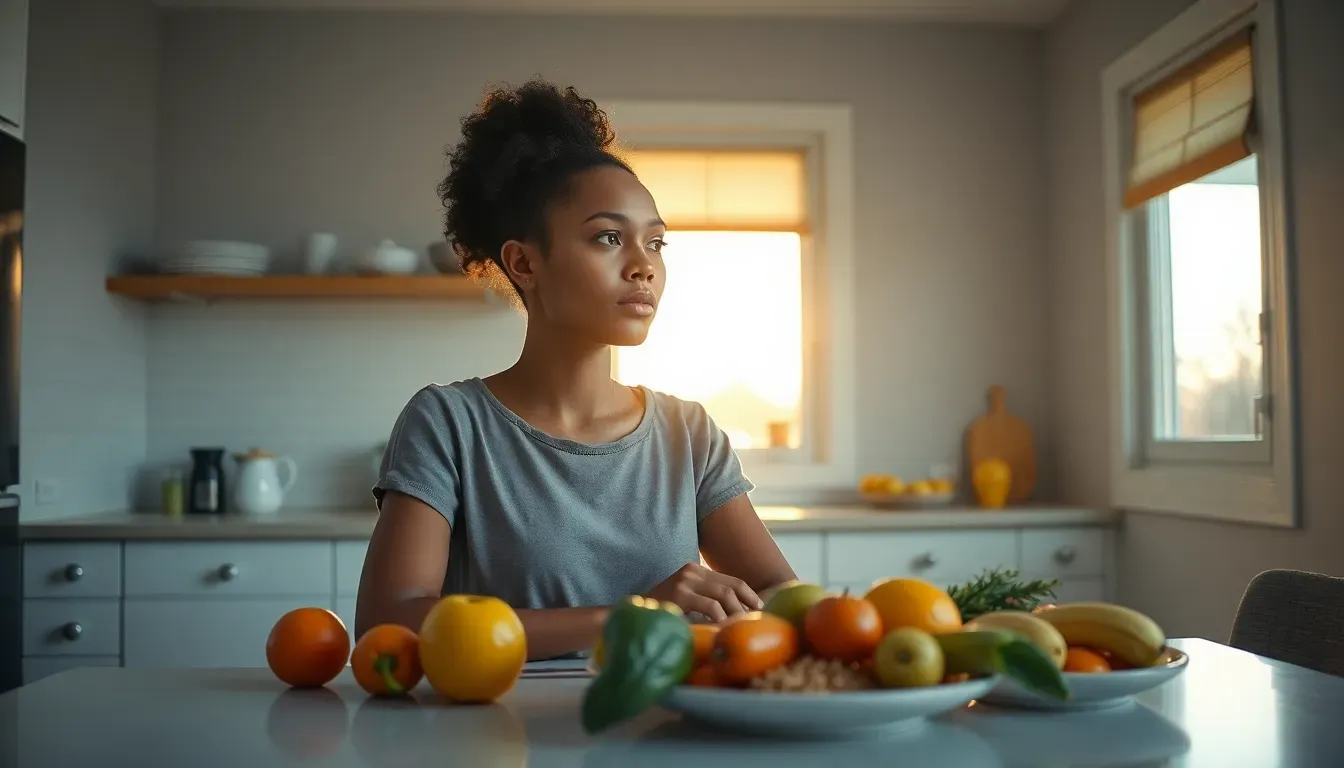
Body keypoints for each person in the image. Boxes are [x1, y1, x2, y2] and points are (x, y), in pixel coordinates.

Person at [354, 79, 797, 660]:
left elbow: (783, 598)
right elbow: (393, 625)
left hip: (665, 732)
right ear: (524, 262)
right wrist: (633, 616)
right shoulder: (448, 424)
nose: (643, 267)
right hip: (501, 737)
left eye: (657, 243)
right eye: (609, 238)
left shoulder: (688, 434)